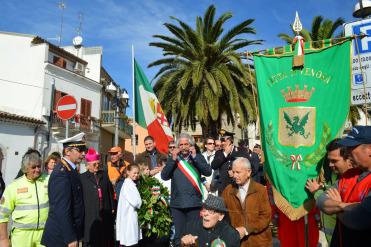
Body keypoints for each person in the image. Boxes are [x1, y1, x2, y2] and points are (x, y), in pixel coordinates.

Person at [316, 126, 371, 246]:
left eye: (352, 148)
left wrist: (336, 209)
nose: (348, 152)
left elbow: (360, 219)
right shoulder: (349, 175)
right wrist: (344, 205)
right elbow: (321, 201)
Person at [161, 132, 212, 247]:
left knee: (194, 236)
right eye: (181, 144)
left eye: (186, 144)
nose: (184, 147)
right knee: (179, 236)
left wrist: (195, 157)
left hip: (194, 204)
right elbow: (164, 176)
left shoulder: (197, 157)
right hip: (177, 205)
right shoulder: (173, 159)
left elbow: (208, 172)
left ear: (191, 145)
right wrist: (173, 159)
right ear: (178, 146)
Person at [41, 132, 87, 247]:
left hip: (68, 234)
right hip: (61, 237)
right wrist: (70, 237)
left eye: (84, 149)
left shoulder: (70, 170)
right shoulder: (62, 173)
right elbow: (61, 208)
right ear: (67, 151)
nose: (83, 153)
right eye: (80, 149)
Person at [305, 138, 354, 243]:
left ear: (349, 160)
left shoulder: (357, 182)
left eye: (334, 161)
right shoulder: (334, 176)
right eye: (329, 161)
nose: (330, 165)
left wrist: (317, 192)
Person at [0, 151, 49, 247]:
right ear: (26, 168)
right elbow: (2, 215)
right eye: (33, 167)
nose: (37, 170)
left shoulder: (49, 180)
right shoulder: (14, 186)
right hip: (21, 236)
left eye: (39, 166)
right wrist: (3, 239)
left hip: (44, 234)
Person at [222, 157, 272, 247]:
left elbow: (266, 217)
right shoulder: (228, 190)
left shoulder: (260, 190)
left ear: (248, 172)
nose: (234, 175)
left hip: (259, 242)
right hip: (238, 243)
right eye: (233, 172)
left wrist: (246, 229)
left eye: (238, 172)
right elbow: (221, 213)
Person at [80, 147, 115, 247]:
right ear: (88, 165)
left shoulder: (104, 175)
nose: (97, 165)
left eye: (98, 163)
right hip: (89, 216)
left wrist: (112, 208)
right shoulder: (82, 178)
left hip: (104, 215)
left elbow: (110, 192)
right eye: (94, 164)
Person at [211, 130, 251, 195]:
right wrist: (225, 153)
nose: (222, 143)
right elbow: (213, 165)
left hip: (238, 189)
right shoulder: (219, 153)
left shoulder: (241, 151)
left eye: (223, 140)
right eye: (221, 141)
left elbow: (251, 168)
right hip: (223, 189)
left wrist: (237, 173)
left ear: (230, 141)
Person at [116, 164, 142, 247]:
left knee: (130, 239)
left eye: (138, 173)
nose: (136, 175)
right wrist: (141, 203)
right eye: (134, 173)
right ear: (128, 172)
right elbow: (135, 202)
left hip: (129, 215)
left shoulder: (130, 183)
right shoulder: (128, 184)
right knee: (130, 240)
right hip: (129, 216)